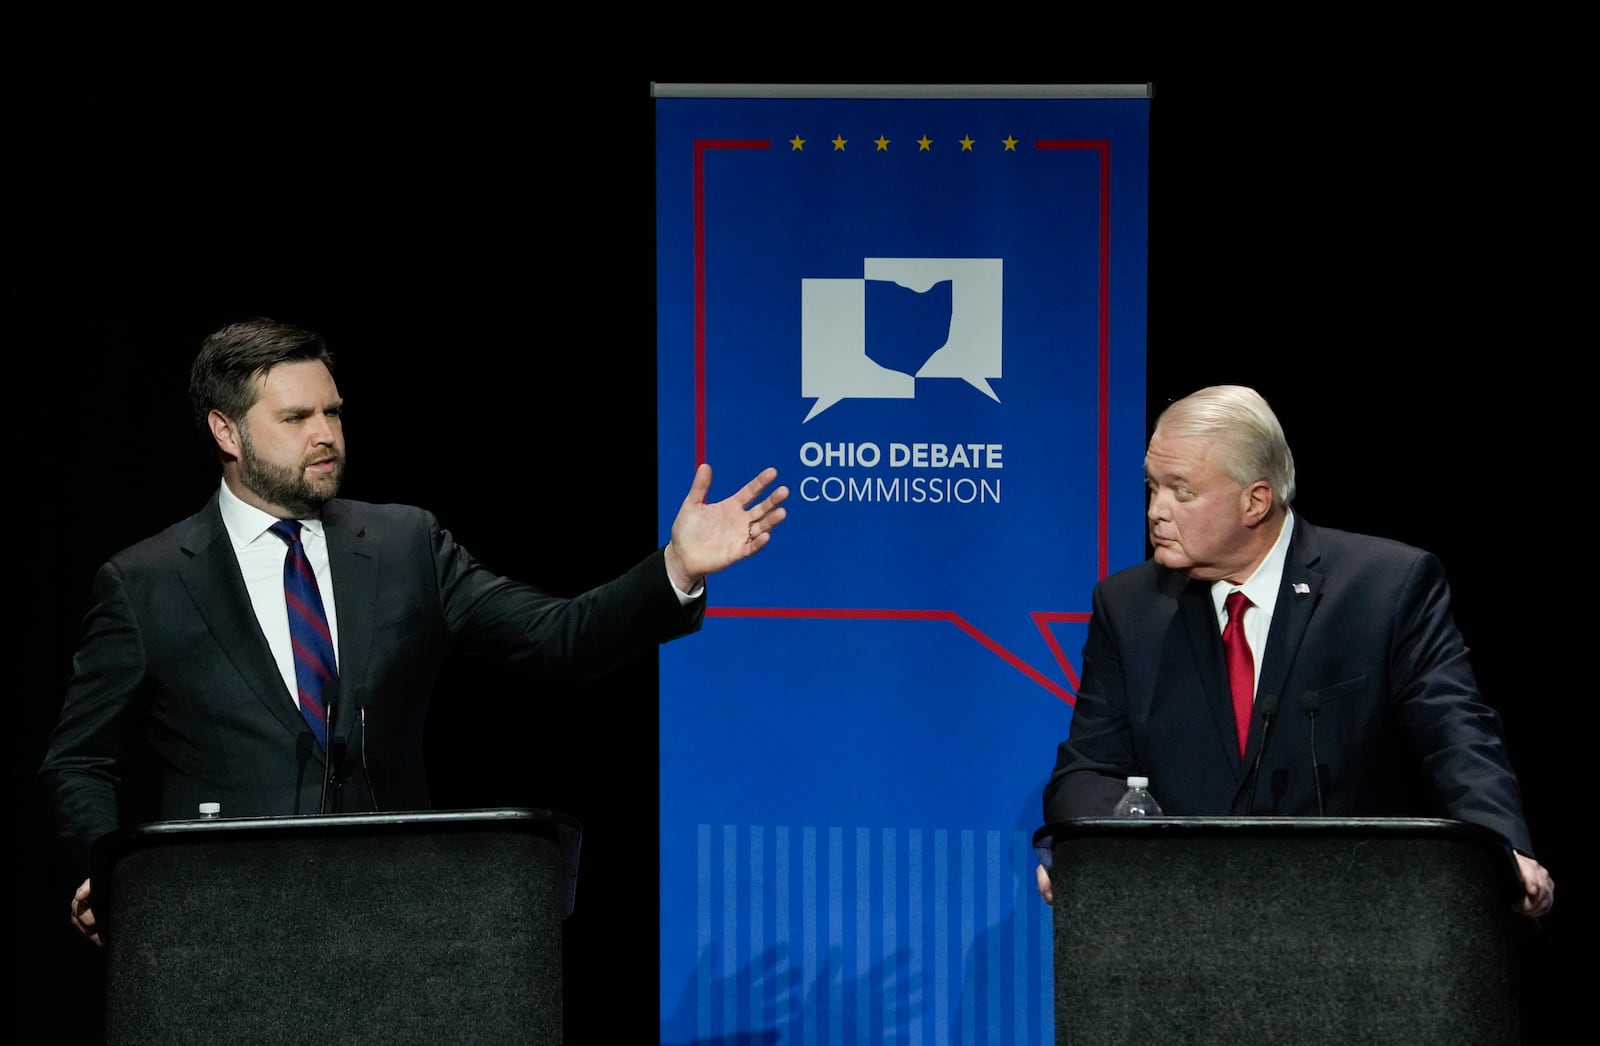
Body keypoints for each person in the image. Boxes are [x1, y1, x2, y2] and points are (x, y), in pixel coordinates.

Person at [40, 317, 790, 947]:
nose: (325, 435)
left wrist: (675, 567)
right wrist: (110, 871)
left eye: (333, 412)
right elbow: (79, 759)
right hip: (216, 932)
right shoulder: (148, 581)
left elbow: (557, 638)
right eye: (297, 419)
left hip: (393, 926)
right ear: (225, 431)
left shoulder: (404, 546)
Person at [1036, 384, 1553, 918]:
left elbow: (1454, 732)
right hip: (1182, 925)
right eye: (1153, 487)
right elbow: (1090, 767)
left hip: (1354, 921)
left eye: (1181, 491)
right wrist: (1087, 852)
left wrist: (1500, 848)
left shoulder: (1383, 588)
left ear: (1255, 501)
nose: (1155, 511)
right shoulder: (1128, 607)